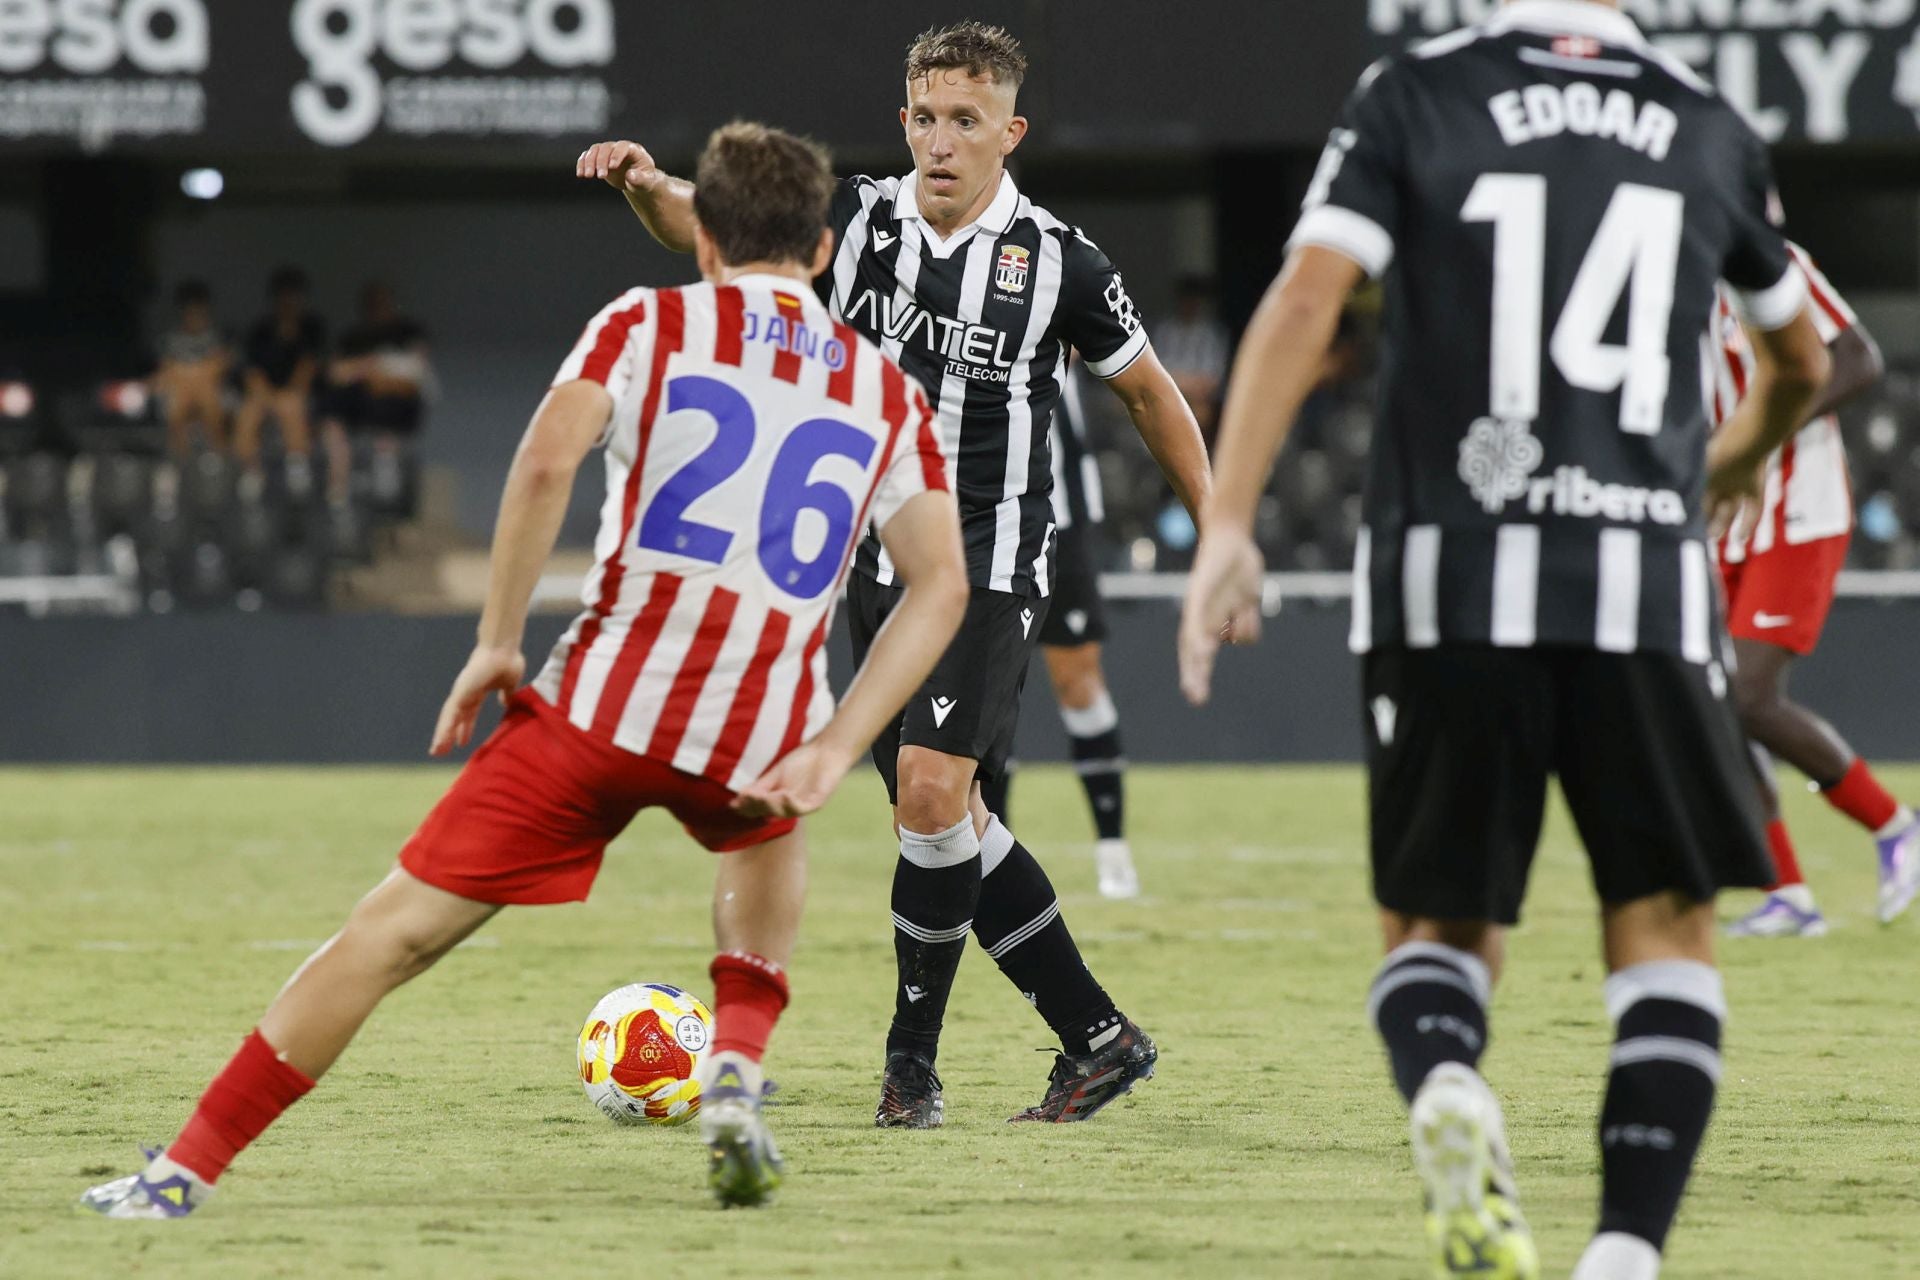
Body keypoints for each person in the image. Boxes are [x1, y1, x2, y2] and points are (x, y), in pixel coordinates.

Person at [80, 121, 967, 1219]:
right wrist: (835, 744)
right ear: (823, 249)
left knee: (389, 935)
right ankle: (737, 1069)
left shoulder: (646, 321)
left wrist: (497, 640)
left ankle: (180, 1174)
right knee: (764, 834)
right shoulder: (886, 389)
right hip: (756, 727)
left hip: (602, 708)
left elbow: (547, 458)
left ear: (704, 242)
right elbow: (941, 585)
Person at [1178, 3, 1830, 1278]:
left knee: (1437, 926)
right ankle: (1625, 1251)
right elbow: (1799, 360)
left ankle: (1445, 1084)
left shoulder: (1418, 90)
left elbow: (1308, 297)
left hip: (1451, 576)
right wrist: (1729, 460)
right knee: (1667, 932)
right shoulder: (1707, 121)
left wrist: (1232, 522)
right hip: (1644, 586)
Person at [577, 20, 1212, 1127]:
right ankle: (1098, 1037)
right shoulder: (859, 221)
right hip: (872, 555)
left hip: (990, 551)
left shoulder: (1062, 262)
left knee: (928, 791)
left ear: (1010, 133)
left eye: (967, 119)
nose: (941, 140)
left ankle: (908, 1068)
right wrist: (643, 184)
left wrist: (1223, 532)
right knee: (945, 819)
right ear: (903, 122)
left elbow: (1152, 395)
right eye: (925, 117)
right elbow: (708, 226)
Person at [1710, 246, 1918, 937]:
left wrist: (1760, 433)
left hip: (1797, 511)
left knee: (1747, 694)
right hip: (1717, 515)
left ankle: (1895, 826)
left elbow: (1857, 359)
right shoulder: (1649, 259)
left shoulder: (1764, 259)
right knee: (1713, 700)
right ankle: (1788, 895)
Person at [979, 362, 1139, 899]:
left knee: (1078, 679)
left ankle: (1113, 848)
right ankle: (992, 860)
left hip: (1061, 519)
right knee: (990, 688)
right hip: (987, 518)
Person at [321, 282, 433, 509]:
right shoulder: (354, 337)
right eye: (373, 304)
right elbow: (337, 372)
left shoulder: (407, 332)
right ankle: (338, 492)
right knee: (331, 416)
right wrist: (369, 367)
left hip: (397, 405)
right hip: (359, 404)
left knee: (385, 400)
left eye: (383, 302)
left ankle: (386, 474)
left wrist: (376, 370)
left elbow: (416, 373)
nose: (379, 308)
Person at [232, 267, 326, 495]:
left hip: (299, 396)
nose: (288, 302)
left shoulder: (312, 328)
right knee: (248, 412)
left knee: (291, 404)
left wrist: (283, 399)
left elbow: (306, 372)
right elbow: (252, 374)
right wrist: (269, 399)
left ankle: (297, 469)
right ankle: (250, 472)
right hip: (265, 396)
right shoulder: (261, 330)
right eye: (283, 296)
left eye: (293, 296)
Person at [152, 280, 231, 460]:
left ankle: (219, 456)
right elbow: (166, 370)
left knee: (208, 393)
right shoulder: (171, 339)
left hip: (214, 392)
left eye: (199, 312)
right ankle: (179, 460)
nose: (194, 317)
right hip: (179, 393)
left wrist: (190, 374)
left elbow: (219, 366)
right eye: (190, 312)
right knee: (176, 400)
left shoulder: (217, 336)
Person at [1155, 275, 1231, 441]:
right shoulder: (1165, 330)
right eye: (1186, 298)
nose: (1189, 304)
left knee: (1201, 411)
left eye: (1194, 299)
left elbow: (1211, 381)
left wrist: (1182, 383)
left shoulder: (1212, 334)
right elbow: (1154, 371)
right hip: (1166, 393)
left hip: (1198, 397)